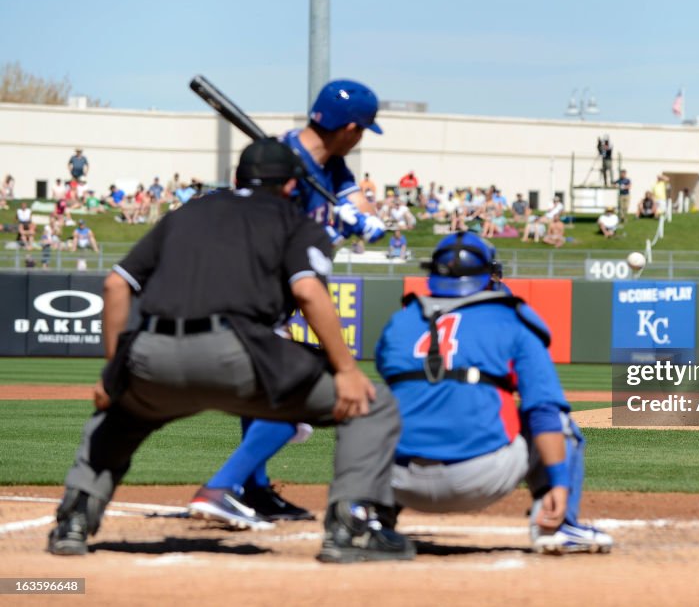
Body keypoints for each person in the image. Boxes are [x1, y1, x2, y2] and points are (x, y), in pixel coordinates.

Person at [46, 139, 414, 564]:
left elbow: (115, 285)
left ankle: (74, 519)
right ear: (292, 185)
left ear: (237, 178)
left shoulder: (187, 213)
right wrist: (346, 369)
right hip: (241, 358)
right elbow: (309, 292)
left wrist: (115, 373)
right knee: (373, 405)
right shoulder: (292, 218)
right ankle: (351, 527)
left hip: (155, 357)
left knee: (118, 418)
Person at [190, 79, 388, 526]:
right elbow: (259, 225)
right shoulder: (276, 161)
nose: (360, 139)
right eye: (362, 130)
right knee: (297, 394)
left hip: (268, 302)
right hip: (243, 294)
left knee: (263, 398)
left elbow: (356, 205)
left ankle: (255, 490)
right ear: (351, 127)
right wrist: (332, 229)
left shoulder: (332, 169)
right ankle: (220, 489)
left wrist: (365, 218)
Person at [375, 231, 613, 554]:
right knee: (555, 420)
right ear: (489, 275)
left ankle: (369, 518)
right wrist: (557, 480)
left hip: (398, 481)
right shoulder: (510, 319)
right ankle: (559, 525)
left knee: (372, 412)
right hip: (479, 480)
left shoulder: (400, 322)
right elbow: (542, 408)